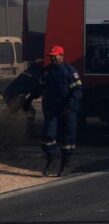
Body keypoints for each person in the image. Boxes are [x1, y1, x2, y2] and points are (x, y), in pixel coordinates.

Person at [24, 45, 82, 177]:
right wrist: (29, 99)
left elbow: (77, 91)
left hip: (67, 110)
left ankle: (65, 165)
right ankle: (51, 160)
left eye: (55, 56)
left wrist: (70, 105)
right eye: (51, 56)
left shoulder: (70, 71)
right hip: (51, 109)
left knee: (67, 138)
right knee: (48, 136)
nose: (53, 58)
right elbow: (38, 87)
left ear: (61, 56)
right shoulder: (47, 72)